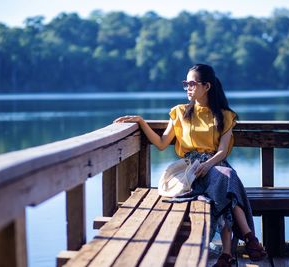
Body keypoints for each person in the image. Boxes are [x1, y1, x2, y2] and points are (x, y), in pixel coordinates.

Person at [114, 63, 267, 266]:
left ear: (207, 87)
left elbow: (222, 151)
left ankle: (228, 254)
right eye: (186, 83)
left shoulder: (225, 116)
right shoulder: (179, 112)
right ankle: (247, 240)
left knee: (224, 179)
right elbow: (161, 144)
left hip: (216, 164)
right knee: (227, 182)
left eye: (193, 83)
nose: (188, 87)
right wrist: (141, 122)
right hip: (190, 171)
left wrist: (209, 164)